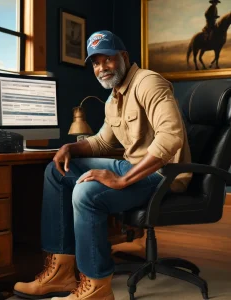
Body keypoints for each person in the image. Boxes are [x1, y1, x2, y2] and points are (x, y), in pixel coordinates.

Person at [13, 30, 192, 300]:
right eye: (95, 63)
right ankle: (61, 274)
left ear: (123, 57)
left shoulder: (148, 83)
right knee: (57, 171)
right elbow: (102, 143)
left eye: (106, 59)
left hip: (162, 173)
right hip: (135, 167)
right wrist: (70, 147)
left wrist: (122, 179)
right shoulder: (114, 98)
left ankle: (96, 285)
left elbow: (171, 137)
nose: (101, 68)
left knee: (86, 193)